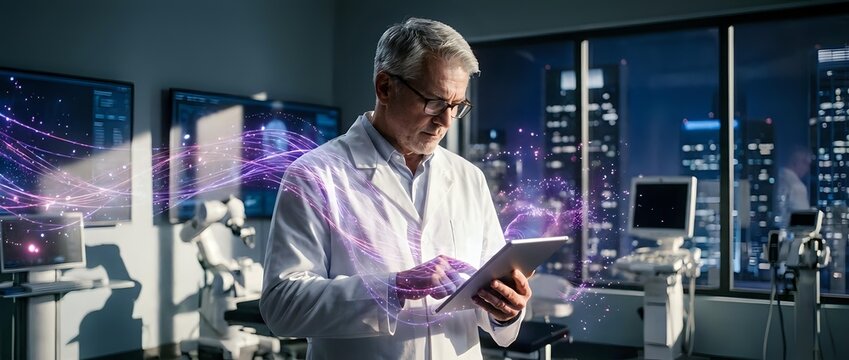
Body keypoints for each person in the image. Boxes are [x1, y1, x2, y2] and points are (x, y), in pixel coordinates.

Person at [260, 18, 530, 359]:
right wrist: (394, 286)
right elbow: (282, 307)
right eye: (434, 102)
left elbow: (487, 303)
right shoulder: (315, 175)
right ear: (385, 87)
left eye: (456, 106)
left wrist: (506, 311)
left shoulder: (468, 178)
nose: (445, 121)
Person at [776, 145, 813, 224]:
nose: (808, 168)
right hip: (790, 233)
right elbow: (803, 220)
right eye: (806, 163)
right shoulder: (797, 187)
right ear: (796, 162)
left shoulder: (776, 179)